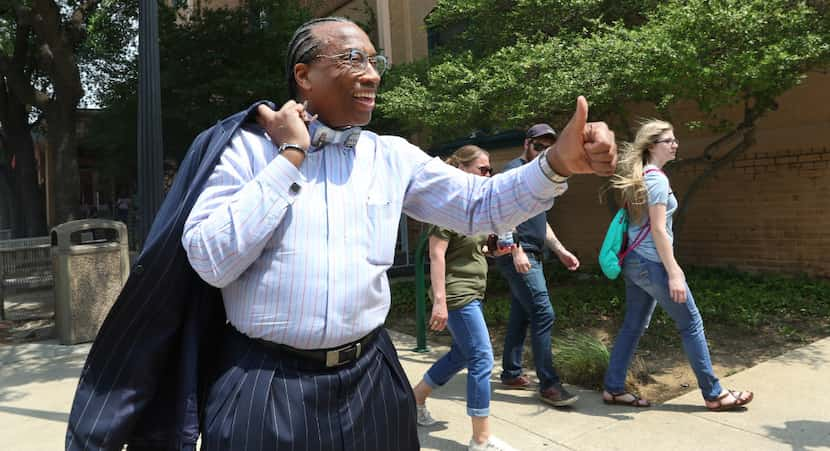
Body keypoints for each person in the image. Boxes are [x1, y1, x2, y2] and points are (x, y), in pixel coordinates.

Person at [66, 16, 617, 451]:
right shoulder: (243, 150)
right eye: (352, 58)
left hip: (370, 381)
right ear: (304, 75)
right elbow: (210, 260)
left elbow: (479, 206)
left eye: (375, 61)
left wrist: (556, 167)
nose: (373, 73)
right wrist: (290, 156)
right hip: (264, 385)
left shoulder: (391, 155)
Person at [602, 119, 753, 411]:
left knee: (633, 326)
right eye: (669, 141)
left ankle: (613, 388)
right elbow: (658, 230)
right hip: (652, 263)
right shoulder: (656, 180)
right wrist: (674, 272)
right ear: (652, 146)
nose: (675, 145)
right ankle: (714, 394)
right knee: (691, 323)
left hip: (634, 263)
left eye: (675, 139)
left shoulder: (641, 177)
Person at [410, 145, 517, 451]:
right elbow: (436, 253)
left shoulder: (473, 210)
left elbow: (476, 249)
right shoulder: (449, 206)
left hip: (472, 290)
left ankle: (414, 400)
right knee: (482, 357)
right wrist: (440, 301)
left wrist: (495, 250)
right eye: (483, 169)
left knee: (461, 354)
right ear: (464, 170)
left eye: (490, 170)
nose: (488, 175)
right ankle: (480, 439)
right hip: (458, 293)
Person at [494, 123, 582, 408]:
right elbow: (501, 213)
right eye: (539, 146)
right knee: (543, 312)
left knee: (523, 313)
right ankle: (549, 385)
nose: (543, 152)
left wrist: (560, 249)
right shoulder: (513, 171)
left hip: (533, 252)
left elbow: (540, 223)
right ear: (526, 144)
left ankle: (511, 372)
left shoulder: (541, 178)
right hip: (518, 254)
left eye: (549, 148)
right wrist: (516, 249)